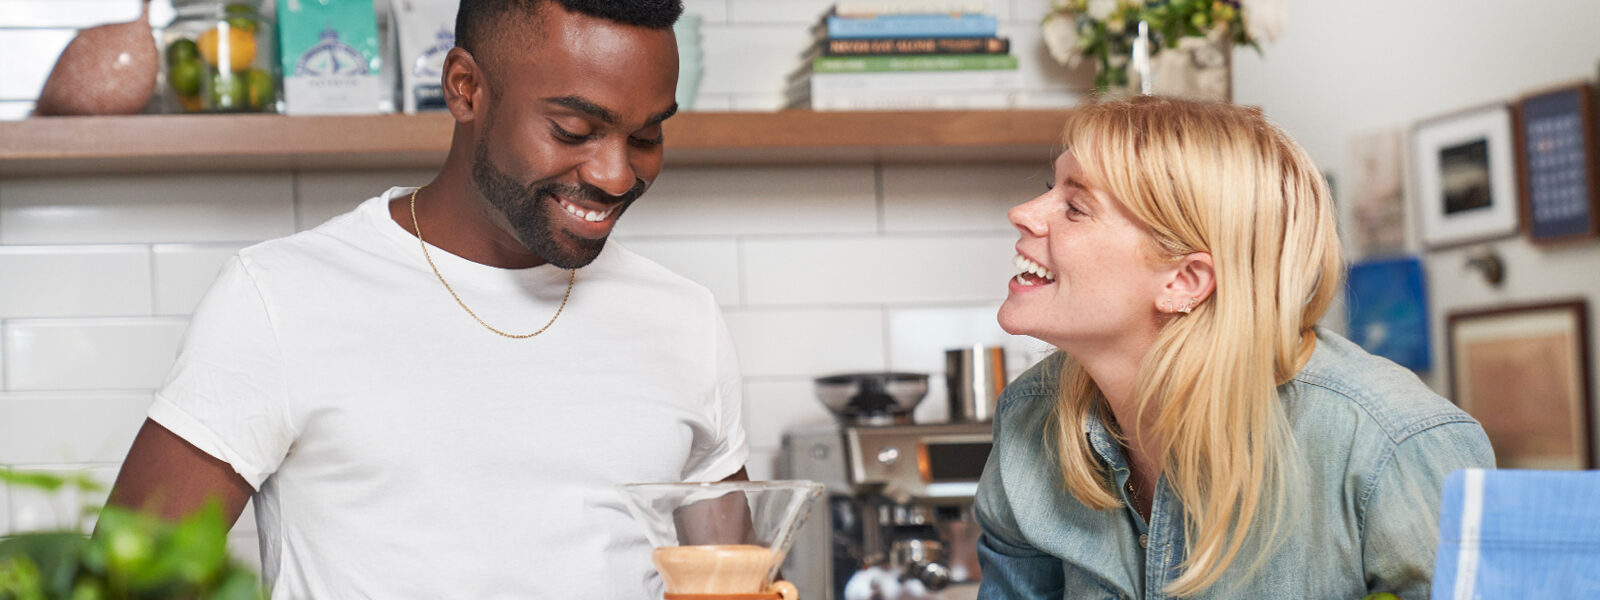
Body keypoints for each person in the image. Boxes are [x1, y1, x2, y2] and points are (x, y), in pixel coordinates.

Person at [105, 1, 750, 597]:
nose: (616, 174)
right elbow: (124, 583)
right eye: (574, 129)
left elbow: (737, 578)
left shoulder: (683, 318)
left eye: (645, 137)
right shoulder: (281, 298)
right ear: (465, 88)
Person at [975, 96, 1495, 599]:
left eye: (1076, 206)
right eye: (1051, 187)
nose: (1023, 212)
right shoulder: (1030, 416)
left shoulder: (1392, 442)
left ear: (1184, 280)